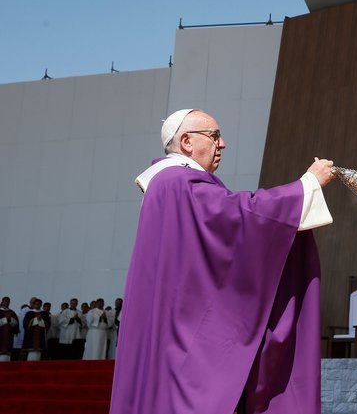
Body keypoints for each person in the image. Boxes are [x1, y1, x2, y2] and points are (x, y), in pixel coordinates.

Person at [110, 108, 339, 414]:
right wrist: (306, 187)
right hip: (182, 344)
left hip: (170, 331)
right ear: (187, 141)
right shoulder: (178, 182)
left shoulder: (168, 186)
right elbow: (239, 218)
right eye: (214, 135)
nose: (223, 144)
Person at [0, 296, 18, 361]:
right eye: (5, 301)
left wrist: (10, 319)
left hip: (9, 335)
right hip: (1, 334)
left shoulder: (12, 312)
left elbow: (16, 323)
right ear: (2, 302)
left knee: (7, 352)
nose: (7, 303)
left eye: (8, 302)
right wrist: (6, 319)